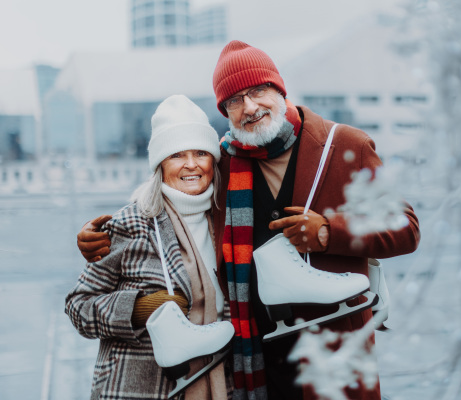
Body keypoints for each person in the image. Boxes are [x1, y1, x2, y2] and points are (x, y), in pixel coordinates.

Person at [77, 41, 421, 400]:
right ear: (225, 111)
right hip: (254, 356)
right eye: (235, 100)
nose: (250, 107)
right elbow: (170, 201)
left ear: (279, 89)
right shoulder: (224, 162)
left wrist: (328, 234)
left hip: (334, 352)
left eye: (258, 91)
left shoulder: (344, 147)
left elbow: (407, 229)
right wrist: (100, 237)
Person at [66, 95, 234, 400]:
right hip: (141, 388)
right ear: (160, 164)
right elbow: (78, 306)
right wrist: (137, 309)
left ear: (214, 159)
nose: (191, 164)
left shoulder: (228, 222)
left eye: (200, 152)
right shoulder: (133, 222)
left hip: (222, 383)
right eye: (177, 155)